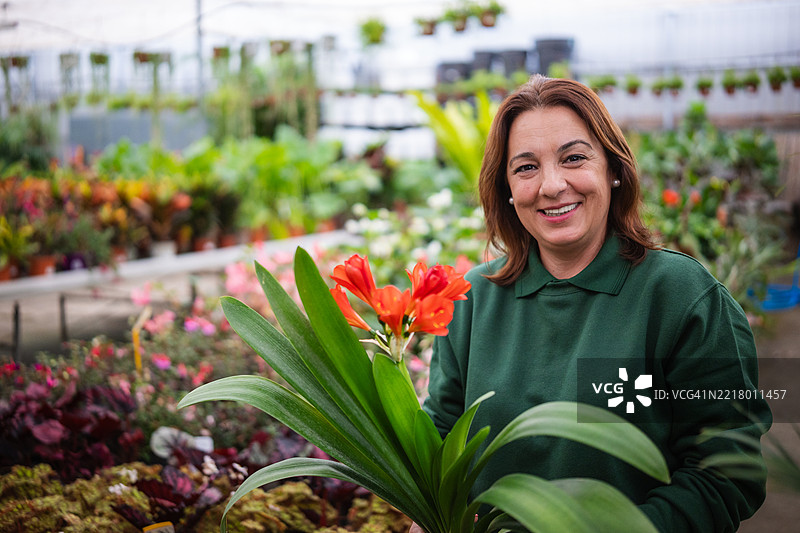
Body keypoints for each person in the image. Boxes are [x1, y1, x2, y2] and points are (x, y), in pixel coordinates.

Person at [414, 74, 772, 532]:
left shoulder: (681, 296)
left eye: (574, 158)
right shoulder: (472, 299)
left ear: (613, 169)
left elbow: (728, 471)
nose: (551, 185)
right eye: (525, 167)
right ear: (505, 188)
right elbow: (439, 438)